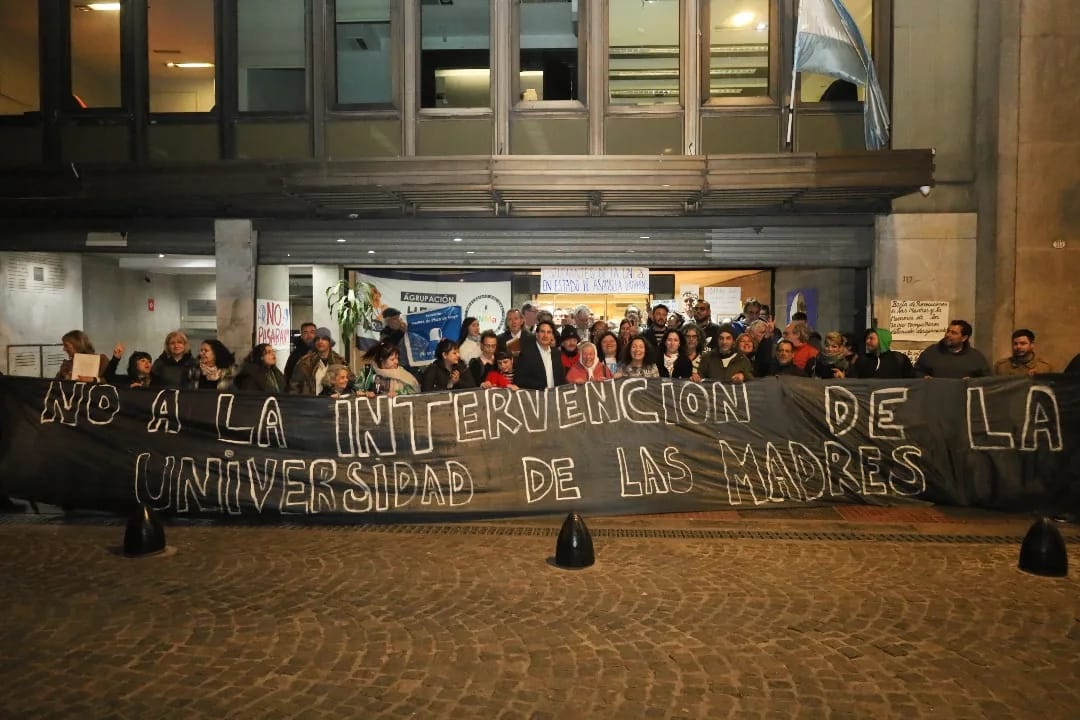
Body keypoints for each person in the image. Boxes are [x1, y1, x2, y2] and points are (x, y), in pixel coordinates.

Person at [915, 319, 990, 378]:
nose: (948, 335)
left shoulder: (975, 357)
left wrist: (973, 382)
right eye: (948, 331)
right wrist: (924, 377)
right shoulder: (931, 352)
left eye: (953, 333)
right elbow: (916, 372)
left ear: (964, 338)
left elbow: (987, 379)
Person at [289, 327, 348, 395]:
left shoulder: (339, 361)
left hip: (333, 402)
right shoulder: (305, 362)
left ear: (329, 342)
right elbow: (294, 386)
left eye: (324, 339)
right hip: (310, 402)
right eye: (317, 339)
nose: (320, 341)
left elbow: (349, 382)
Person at [514, 320, 566, 389]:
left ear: (552, 336)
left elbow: (560, 378)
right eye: (542, 331)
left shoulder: (557, 353)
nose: (545, 335)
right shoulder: (526, 354)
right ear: (536, 334)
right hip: (536, 397)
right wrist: (541, 387)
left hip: (555, 397)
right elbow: (519, 380)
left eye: (549, 332)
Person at [847, 328, 914, 379]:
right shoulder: (863, 360)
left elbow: (912, 382)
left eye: (871, 338)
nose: (867, 341)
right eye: (867, 338)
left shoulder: (899, 359)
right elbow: (855, 381)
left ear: (882, 340)